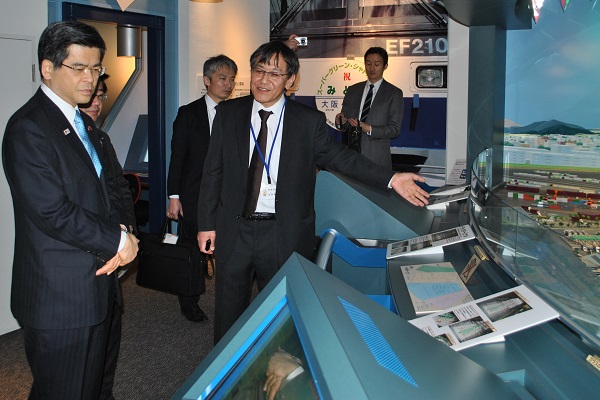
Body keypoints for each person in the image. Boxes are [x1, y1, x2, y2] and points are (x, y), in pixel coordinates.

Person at [197, 40, 429, 344]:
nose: (264, 80)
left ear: (291, 80)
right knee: (228, 313)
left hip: (282, 232)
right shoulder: (228, 113)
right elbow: (212, 171)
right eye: (258, 71)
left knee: (281, 314)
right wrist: (206, 224)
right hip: (234, 229)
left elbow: (342, 158)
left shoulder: (307, 121)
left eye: (274, 74)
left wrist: (391, 178)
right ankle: (225, 368)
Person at [2, 21, 139, 399]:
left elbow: (112, 189)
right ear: (48, 68)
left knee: (95, 386)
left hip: (100, 286)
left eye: (96, 68)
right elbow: (51, 211)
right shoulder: (28, 127)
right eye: (78, 67)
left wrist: (126, 232)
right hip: (60, 297)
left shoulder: (86, 127)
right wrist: (118, 241)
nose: (90, 79)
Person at [166, 55, 238, 322]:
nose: (228, 84)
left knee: (230, 249)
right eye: (223, 78)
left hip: (227, 196)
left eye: (232, 79)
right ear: (207, 80)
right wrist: (174, 196)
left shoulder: (236, 113)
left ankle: (232, 300)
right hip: (194, 195)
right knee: (193, 251)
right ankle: (189, 301)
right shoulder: (189, 113)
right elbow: (177, 157)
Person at [80, 75, 137, 235]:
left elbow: (119, 185)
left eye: (100, 96)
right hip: (88, 229)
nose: (97, 103)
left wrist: (130, 225)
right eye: (91, 96)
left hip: (114, 228)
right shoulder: (68, 140)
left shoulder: (102, 139)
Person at [335, 47, 403, 169]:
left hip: (377, 159)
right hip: (351, 157)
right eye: (368, 63)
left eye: (376, 64)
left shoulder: (394, 93)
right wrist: (341, 121)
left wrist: (369, 128)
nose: (372, 68)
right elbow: (345, 124)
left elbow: (394, 129)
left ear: (385, 66)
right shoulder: (352, 90)